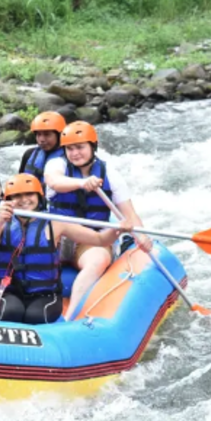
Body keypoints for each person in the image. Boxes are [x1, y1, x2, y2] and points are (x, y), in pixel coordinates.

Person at [0, 174, 125, 324]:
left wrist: (118, 230)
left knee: (35, 317)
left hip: (45, 294)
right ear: (7, 201)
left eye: (29, 194)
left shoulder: (55, 223)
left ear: (39, 196)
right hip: (10, 290)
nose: (23, 199)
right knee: (10, 313)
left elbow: (99, 240)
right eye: (17, 196)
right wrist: (0, 221)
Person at [44, 121, 152, 298]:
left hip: (91, 239)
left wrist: (142, 237)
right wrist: (82, 183)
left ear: (93, 146)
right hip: (59, 238)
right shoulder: (57, 164)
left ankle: (73, 317)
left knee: (97, 261)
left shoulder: (110, 174)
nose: (74, 153)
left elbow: (129, 214)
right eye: (69, 148)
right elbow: (55, 181)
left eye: (80, 147)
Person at [17, 111, 67, 188]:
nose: (41, 139)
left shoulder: (70, 157)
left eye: (47, 134)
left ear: (60, 135)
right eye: (39, 134)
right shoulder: (29, 154)